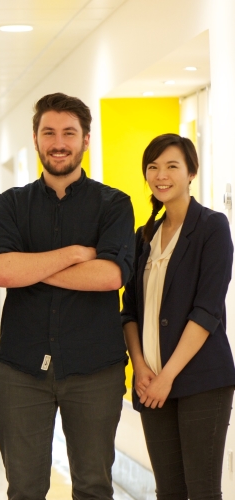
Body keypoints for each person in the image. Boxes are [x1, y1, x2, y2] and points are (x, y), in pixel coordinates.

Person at [0, 92, 135, 499]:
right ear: (35, 139)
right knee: (25, 489)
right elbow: (1, 271)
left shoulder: (114, 205)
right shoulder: (11, 205)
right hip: (22, 369)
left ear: (86, 139)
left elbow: (109, 276)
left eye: (69, 133)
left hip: (94, 369)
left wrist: (31, 269)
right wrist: (73, 255)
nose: (58, 142)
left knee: (93, 487)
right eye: (48, 132)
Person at [122, 133, 235, 499]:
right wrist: (141, 367)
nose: (161, 175)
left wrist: (167, 377)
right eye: (153, 167)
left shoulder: (212, 227)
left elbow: (207, 311)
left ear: (191, 173)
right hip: (151, 381)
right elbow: (130, 311)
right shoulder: (144, 236)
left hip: (200, 380)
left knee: (202, 491)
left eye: (172, 166)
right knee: (168, 491)